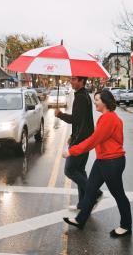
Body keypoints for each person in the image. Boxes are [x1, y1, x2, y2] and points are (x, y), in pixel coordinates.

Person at [62, 90, 131, 237]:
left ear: (105, 101)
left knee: (118, 194)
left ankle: (126, 225)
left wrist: (72, 151)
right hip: (103, 160)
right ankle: (80, 220)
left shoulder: (109, 119)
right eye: (94, 100)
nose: (95, 102)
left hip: (112, 162)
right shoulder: (106, 117)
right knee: (90, 190)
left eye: (97, 100)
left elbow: (94, 140)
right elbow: (97, 138)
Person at [55, 77, 102, 210]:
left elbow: (74, 119)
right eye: (71, 79)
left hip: (81, 141)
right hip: (83, 138)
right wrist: (72, 134)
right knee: (80, 171)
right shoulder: (83, 95)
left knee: (69, 170)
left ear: (81, 81)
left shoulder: (81, 97)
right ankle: (83, 204)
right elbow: (82, 121)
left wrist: (60, 114)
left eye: (74, 79)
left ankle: (94, 193)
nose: (71, 81)